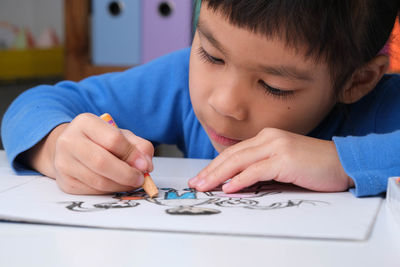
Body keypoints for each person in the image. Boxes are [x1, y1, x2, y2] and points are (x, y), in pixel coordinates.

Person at [2, 0, 400, 197]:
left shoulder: (381, 107)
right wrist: (56, 145)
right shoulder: (176, 79)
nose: (224, 103)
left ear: (358, 80)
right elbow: (34, 104)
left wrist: (342, 162)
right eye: (211, 54)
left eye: (275, 86)